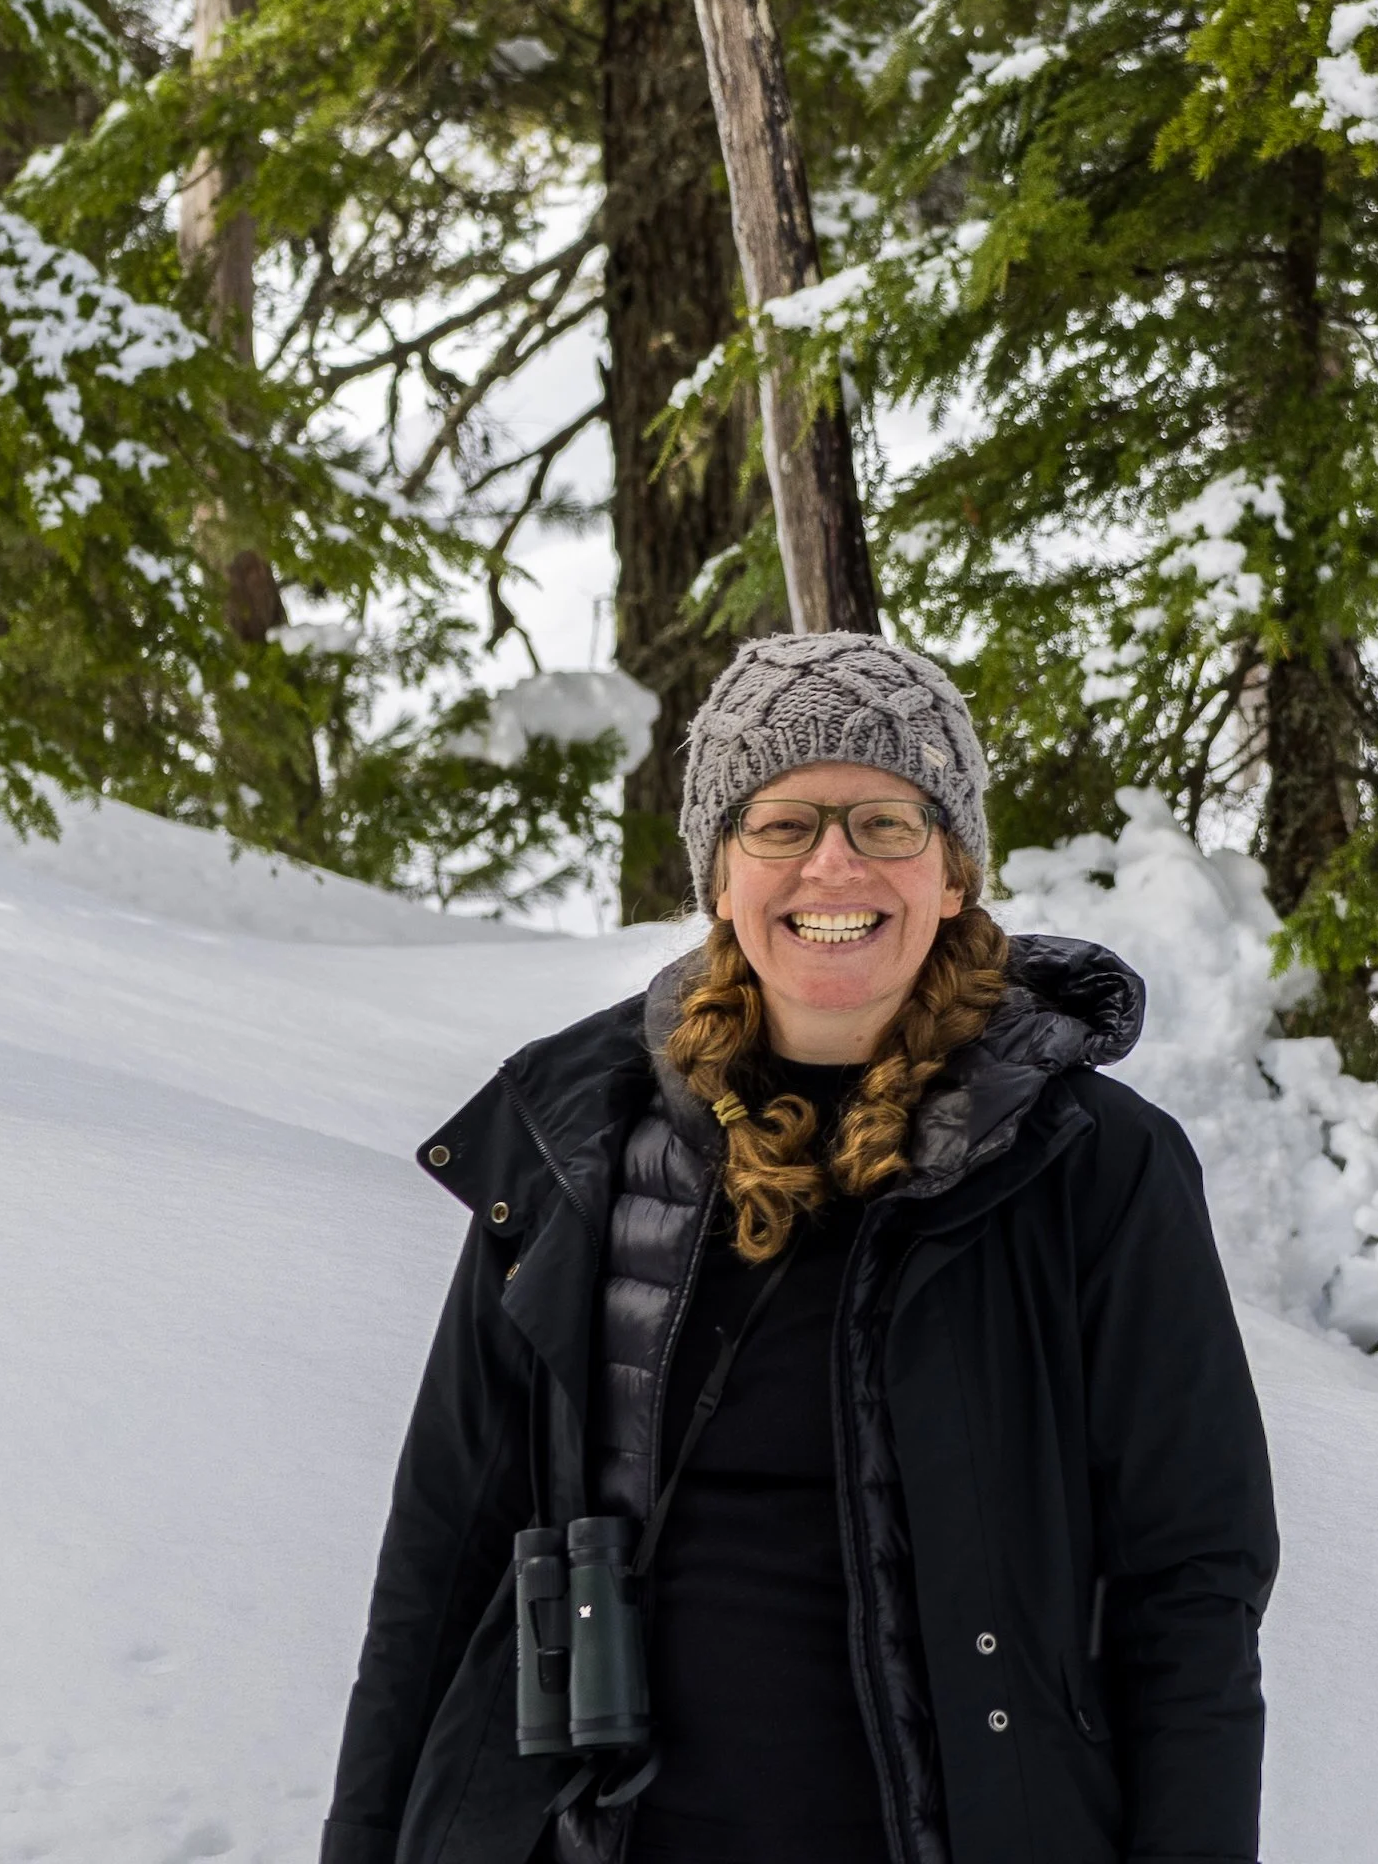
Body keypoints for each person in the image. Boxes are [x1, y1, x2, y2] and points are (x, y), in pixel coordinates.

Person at [322, 632, 1278, 1864]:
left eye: (886, 820)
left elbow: (1191, 1592)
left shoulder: (1091, 1165)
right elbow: (438, 1563)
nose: (833, 862)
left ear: (953, 873)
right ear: (721, 873)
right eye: (781, 823)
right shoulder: (578, 1144)